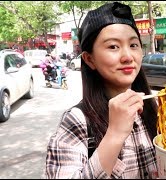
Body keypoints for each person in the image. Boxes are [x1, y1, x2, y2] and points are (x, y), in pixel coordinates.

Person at [45, 2, 159, 179]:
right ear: (89, 59)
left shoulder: (154, 108)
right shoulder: (77, 121)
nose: (128, 56)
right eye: (113, 46)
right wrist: (115, 134)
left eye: (134, 45)